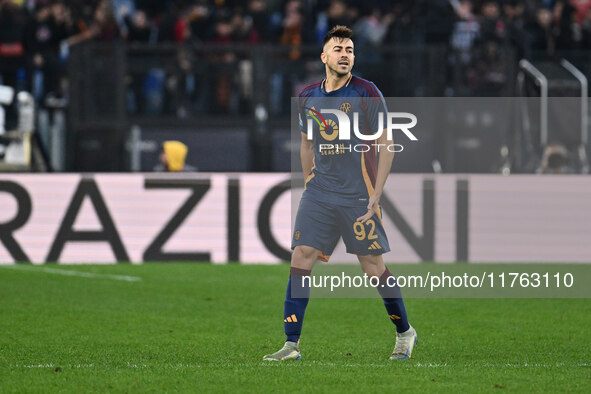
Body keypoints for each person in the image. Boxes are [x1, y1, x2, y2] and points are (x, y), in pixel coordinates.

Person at [263, 25, 417, 362]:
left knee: (373, 267)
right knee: (301, 256)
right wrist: (308, 182)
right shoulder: (307, 97)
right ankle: (291, 344)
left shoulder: (367, 92)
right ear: (324, 56)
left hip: (359, 197)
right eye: (338, 49)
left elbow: (386, 144)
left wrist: (377, 193)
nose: (345, 54)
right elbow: (306, 144)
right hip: (319, 193)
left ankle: (405, 332)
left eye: (349, 50)